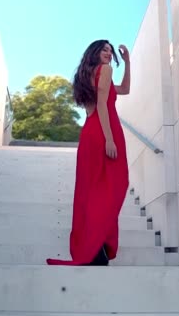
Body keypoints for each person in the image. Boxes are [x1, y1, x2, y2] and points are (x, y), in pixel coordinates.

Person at [47, 40, 130, 266]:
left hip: (91, 134)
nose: (108, 53)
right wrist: (110, 139)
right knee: (114, 186)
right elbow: (102, 105)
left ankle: (96, 246)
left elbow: (124, 90)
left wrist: (128, 62)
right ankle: (95, 248)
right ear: (95, 52)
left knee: (93, 191)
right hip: (104, 133)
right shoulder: (105, 70)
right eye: (104, 49)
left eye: (110, 51)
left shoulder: (91, 74)